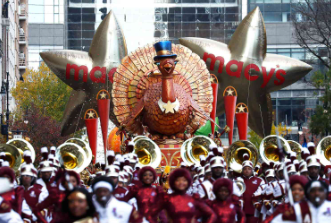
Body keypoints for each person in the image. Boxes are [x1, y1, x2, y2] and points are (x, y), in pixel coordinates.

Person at [148, 168, 217, 223]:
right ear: (173, 182)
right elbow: (150, 215)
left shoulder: (193, 199)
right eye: (178, 180)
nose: (181, 183)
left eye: (184, 180)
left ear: (188, 182)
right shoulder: (167, 198)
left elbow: (212, 215)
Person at [241, 158, 264, 223]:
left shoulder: (259, 180)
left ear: (252, 170)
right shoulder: (238, 180)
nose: (247, 171)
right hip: (241, 211)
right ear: (242, 170)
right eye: (245, 169)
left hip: (254, 211)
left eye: (249, 169)